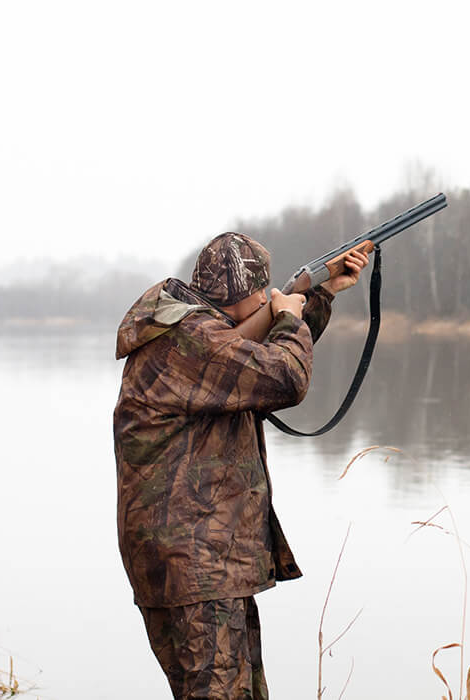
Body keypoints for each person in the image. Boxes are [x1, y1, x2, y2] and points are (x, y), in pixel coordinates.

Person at [113, 232, 368, 699]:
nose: (269, 296)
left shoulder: (190, 330)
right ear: (246, 295)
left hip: (199, 562)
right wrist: (288, 316)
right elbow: (283, 377)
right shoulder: (191, 340)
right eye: (264, 291)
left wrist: (322, 292)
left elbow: (252, 361)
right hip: (196, 566)